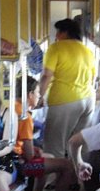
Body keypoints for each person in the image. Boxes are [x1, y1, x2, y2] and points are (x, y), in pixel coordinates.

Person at [0, 75, 81, 191]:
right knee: (67, 166)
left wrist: (36, 152)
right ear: (30, 94)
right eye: (37, 93)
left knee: (48, 158)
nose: (39, 97)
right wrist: (35, 152)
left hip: (11, 159)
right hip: (19, 165)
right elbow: (29, 156)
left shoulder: (12, 108)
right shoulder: (24, 116)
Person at [39, 17, 96, 159]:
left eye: (58, 32)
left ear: (65, 32)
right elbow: (93, 78)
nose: (57, 36)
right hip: (88, 99)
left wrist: (40, 96)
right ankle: (79, 172)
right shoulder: (87, 50)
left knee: (54, 146)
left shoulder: (56, 48)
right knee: (78, 145)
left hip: (64, 100)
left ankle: (56, 174)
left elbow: (46, 75)